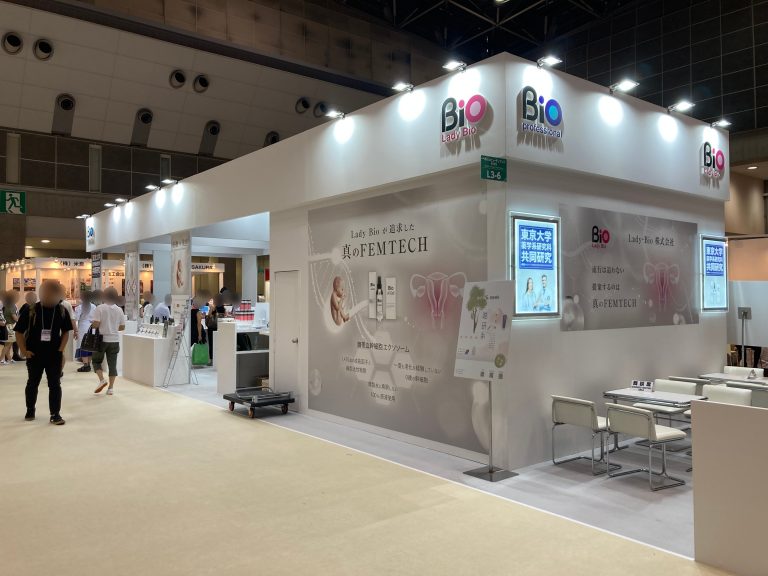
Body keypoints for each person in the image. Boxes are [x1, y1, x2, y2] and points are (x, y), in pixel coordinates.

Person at [14, 280, 72, 425]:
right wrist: (23, 351)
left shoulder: (61, 311)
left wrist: (61, 350)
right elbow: (19, 332)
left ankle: (55, 414)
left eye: (52, 294)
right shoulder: (31, 310)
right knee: (32, 383)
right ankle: (30, 410)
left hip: (54, 355)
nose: (48, 296)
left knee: (55, 384)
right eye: (45, 293)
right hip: (34, 354)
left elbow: (66, 332)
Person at [91, 287, 126, 395]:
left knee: (96, 361)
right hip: (115, 340)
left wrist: (93, 325)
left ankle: (102, 380)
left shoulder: (100, 308)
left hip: (101, 339)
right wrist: (113, 328)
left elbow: (96, 324)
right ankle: (111, 388)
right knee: (112, 364)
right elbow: (122, 327)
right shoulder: (119, 309)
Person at [74, 291, 96, 372]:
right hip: (91, 327)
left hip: (82, 327)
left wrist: (75, 331)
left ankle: (86, 365)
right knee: (90, 346)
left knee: (83, 346)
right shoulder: (94, 306)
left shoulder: (79, 307)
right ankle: (89, 363)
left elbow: (76, 318)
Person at [1, 290, 20, 364]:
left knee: (9, 344)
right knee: (8, 344)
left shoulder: (6, 306)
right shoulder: (12, 306)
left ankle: (9, 358)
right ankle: (1, 359)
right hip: (10, 327)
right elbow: (15, 318)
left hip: (8, 326)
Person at [206, 294, 225, 364]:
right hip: (220, 327)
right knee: (219, 343)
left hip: (212, 327)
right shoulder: (223, 308)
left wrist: (209, 315)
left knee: (211, 344)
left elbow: (208, 315)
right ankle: (219, 359)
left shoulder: (213, 307)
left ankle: (212, 360)